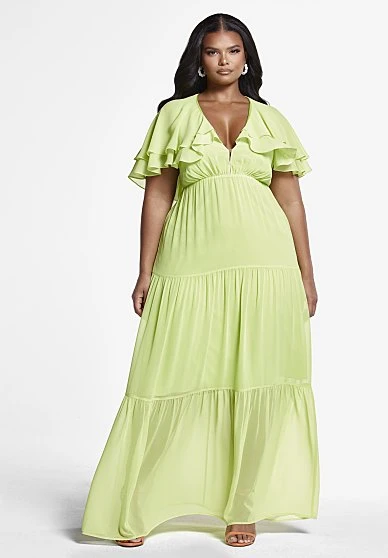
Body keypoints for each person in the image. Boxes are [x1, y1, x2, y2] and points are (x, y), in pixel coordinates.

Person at [81, 12, 320, 548]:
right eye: (213, 52)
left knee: (256, 378)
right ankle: (138, 506)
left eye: (233, 51)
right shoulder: (174, 116)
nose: (224, 61)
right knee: (166, 378)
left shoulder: (271, 120)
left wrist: (306, 273)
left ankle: (243, 507)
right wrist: (145, 270)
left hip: (266, 265)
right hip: (190, 261)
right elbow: (158, 197)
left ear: (247, 58)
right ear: (199, 58)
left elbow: (290, 201)